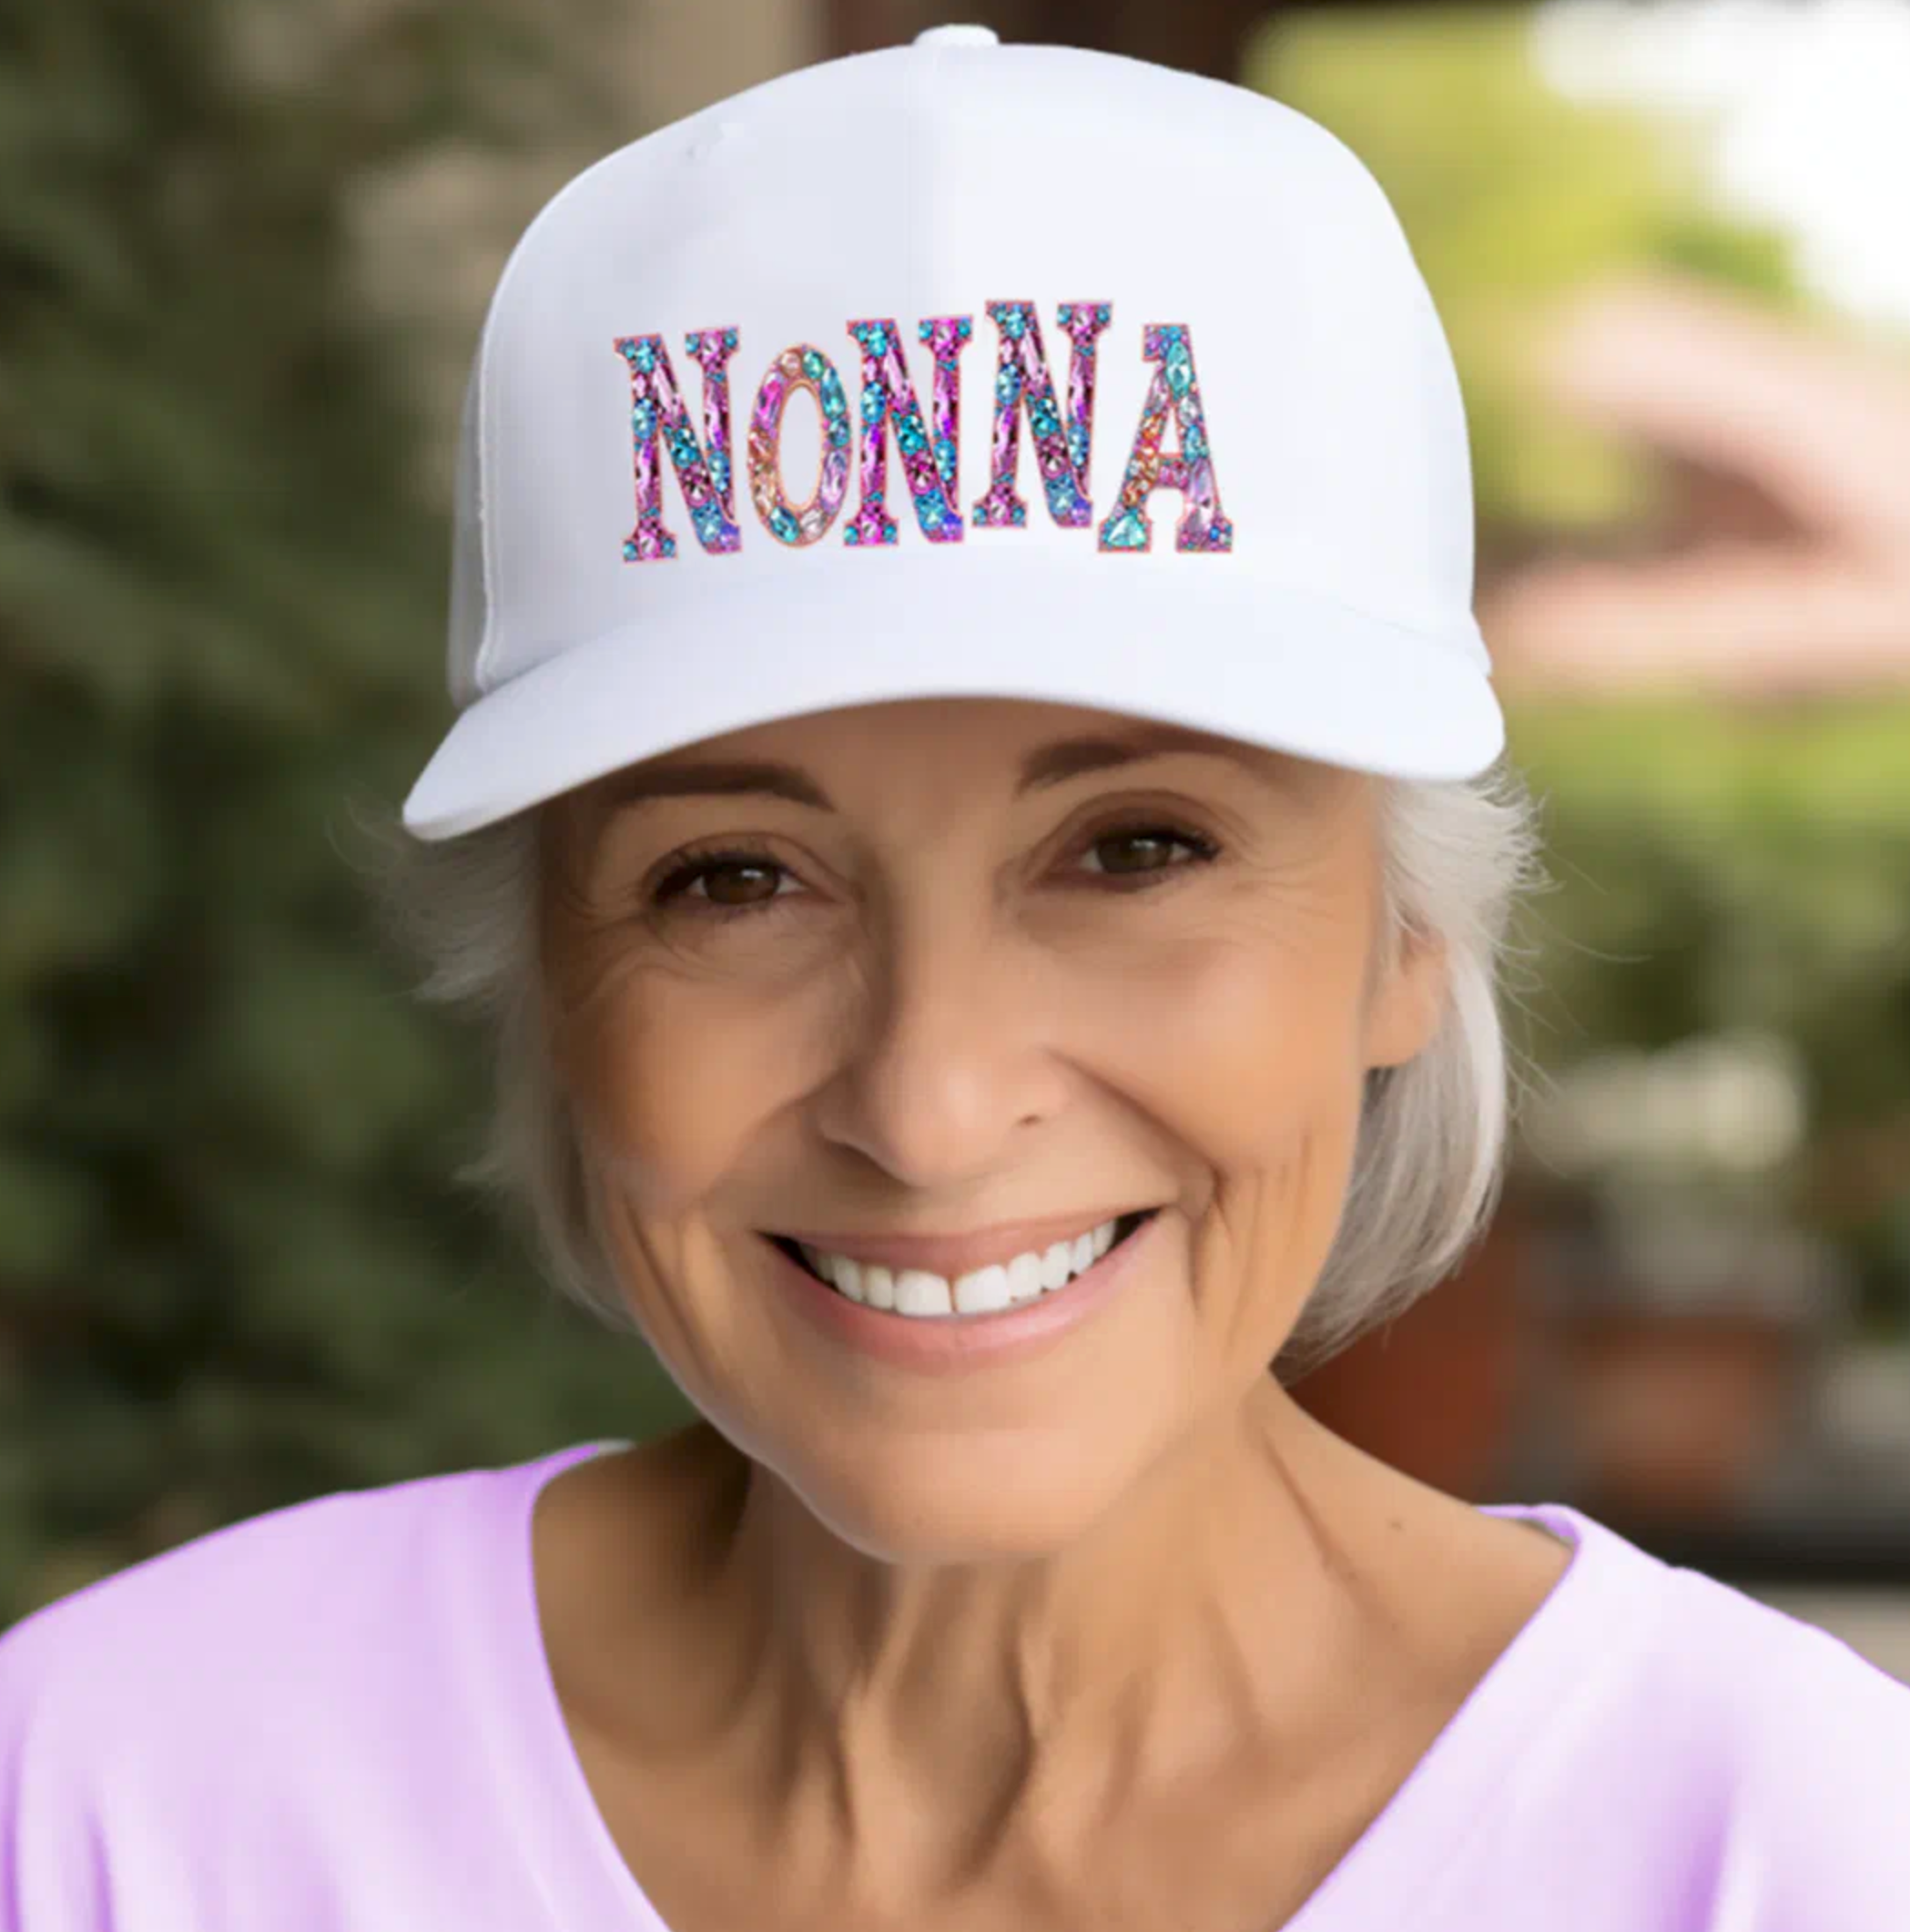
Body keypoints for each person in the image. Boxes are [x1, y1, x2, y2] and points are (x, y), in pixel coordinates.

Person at [4, 25, 1907, 1932]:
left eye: (1133, 848)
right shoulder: (112, 1802)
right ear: (552, 981)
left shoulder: (1789, 1849)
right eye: (735, 878)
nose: (926, 1106)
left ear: (1407, 936)